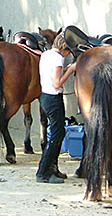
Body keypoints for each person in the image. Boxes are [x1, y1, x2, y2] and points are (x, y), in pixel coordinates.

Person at [36, 33, 76, 183]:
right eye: (69, 51)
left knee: (57, 133)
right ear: (64, 47)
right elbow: (57, 84)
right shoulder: (58, 58)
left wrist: (65, 70)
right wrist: (71, 70)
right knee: (56, 136)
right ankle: (43, 172)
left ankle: (52, 168)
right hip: (53, 99)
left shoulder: (46, 55)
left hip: (45, 97)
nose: (68, 54)